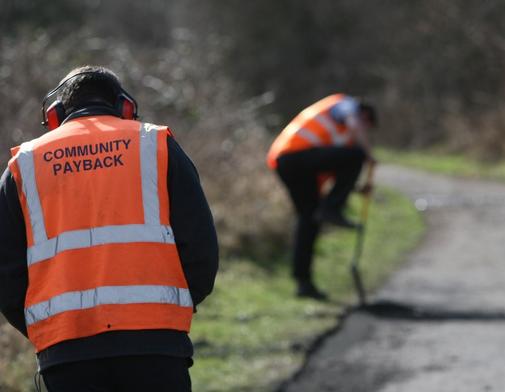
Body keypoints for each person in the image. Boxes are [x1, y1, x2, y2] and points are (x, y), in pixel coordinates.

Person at [0, 66, 219, 391]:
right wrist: (171, 312)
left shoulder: (23, 165)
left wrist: (45, 329)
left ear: (56, 113)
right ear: (125, 107)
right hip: (155, 346)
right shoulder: (155, 145)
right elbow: (201, 247)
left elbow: (7, 273)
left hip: (66, 353)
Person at [267, 93, 376, 300]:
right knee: (356, 154)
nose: (363, 132)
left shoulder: (338, 137)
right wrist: (368, 154)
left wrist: (358, 189)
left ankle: (303, 283)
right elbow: (354, 128)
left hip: (289, 164)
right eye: (366, 126)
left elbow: (338, 175)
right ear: (364, 114)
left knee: (310, 219)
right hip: (293, 157)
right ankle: (332, 209)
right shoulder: (346, 105)